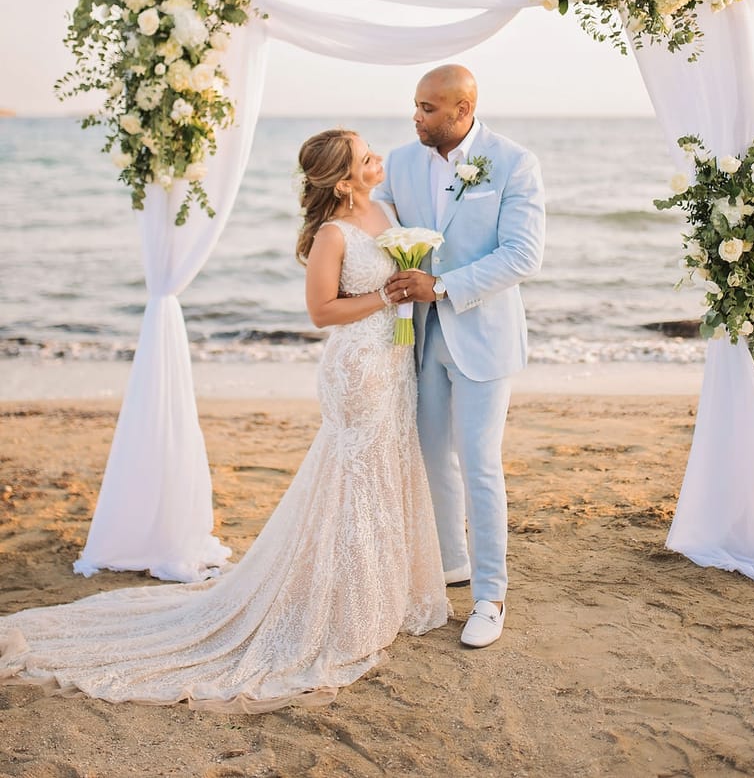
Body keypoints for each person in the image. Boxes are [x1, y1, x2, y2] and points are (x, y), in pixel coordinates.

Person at [0, 129, 448, 712]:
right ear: (343, 181)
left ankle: (377, 594)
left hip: (394, 364)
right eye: (367, 158)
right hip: (358, 367)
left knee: (384, 473)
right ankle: (345, 608)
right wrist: (386, 300)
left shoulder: (387, 209)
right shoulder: (331, 236)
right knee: (354, 481)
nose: (378, 159)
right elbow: (320, 312)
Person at [374, 65, 545, 648]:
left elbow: (523, 256)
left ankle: (490, 597)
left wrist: (441, 286)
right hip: (418, 339)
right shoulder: (399, 162)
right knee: (429, 456)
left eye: (427, 109)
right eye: (416, 107)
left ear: (462, 108)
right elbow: (373, 224)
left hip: (484, 337)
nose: (416, 118)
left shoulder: (514, 162)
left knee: (479, 463)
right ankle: (451, 562)